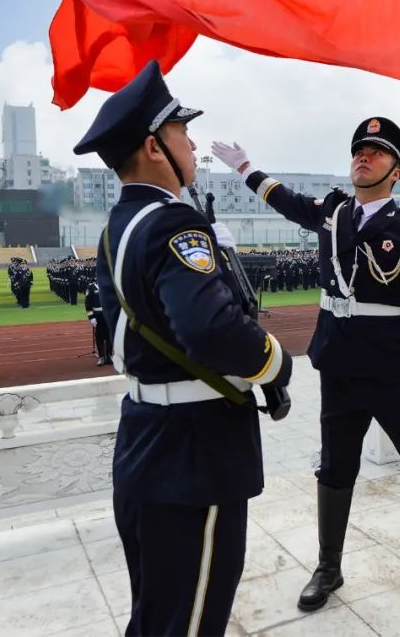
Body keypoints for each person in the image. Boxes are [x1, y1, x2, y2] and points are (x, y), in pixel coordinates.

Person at [212, 116, 400, 611]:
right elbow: (286, 201)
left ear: (396, 171)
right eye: (359, 150)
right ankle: (329, 566)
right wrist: (245, 169)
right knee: (335, 468)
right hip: (339, 362)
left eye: (376, 152)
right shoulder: (332, 211)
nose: (363, 157)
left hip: (390, 367)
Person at [73, 60, 293, 637]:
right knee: (191, 621)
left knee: (156, 616)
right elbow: (212, 329)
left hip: (146, 440)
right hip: (196, 455)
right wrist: (274, 363)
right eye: (180, 132)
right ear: (153, 146)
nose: (191, 143)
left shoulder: (120, 225)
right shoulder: (174, 223)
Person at [84, 279, 112, 365]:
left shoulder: (108, 285)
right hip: (98, 315)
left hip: (107, 315)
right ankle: (101, 357)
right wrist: (91, 317)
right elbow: (88, 303)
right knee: (99, 337)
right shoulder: (91, 287)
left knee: (109, 337)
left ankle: (109, 356)